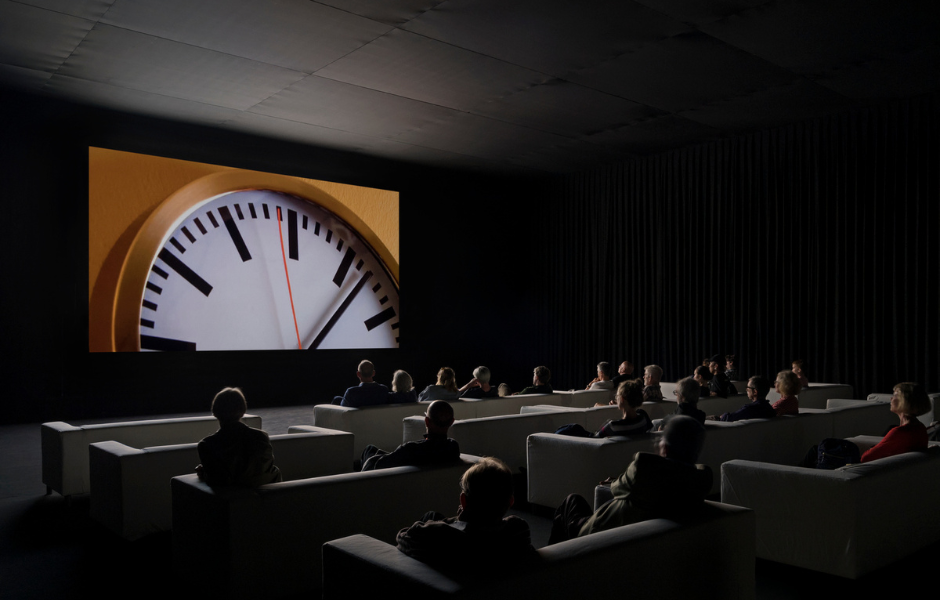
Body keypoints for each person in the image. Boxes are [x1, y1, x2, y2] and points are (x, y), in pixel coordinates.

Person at [548, 415, 712, 543]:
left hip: (599, 536)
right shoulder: (696, 483)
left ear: (665, 448)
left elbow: (616, 488)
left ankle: (549, 566)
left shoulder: (643, 471)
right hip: (635, 543)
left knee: (571, 501)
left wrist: (615, 481)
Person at [396, 457, 538, 584]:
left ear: (463, 500)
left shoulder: (439, 536)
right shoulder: (519, 531)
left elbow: (402, 537)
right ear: (511, 501)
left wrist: (458, 520)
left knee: (430, 517)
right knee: (434, 515)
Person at [196, 387, 281, 487]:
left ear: (214, 412)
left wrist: (204, 473)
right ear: (242, 411)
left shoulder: (206, 445)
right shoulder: (261, 437)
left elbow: (218, 481)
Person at [360, 400, 460, 471]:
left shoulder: (410, 449)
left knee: (369, 450)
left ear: (426, 421)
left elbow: (379, 465)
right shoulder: (453, 447)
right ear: (451, 422)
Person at [860, 382, 931, 462]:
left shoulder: (899, 432)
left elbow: (865, 458)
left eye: (895, 395)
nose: (891, 399)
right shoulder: (920, 427)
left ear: (904, 401)